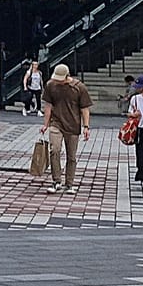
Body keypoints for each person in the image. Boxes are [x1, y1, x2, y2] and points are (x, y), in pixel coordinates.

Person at [40, 63, 91, 193]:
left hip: (73, 125)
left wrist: (86, 126)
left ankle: (69, 183)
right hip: (56, 123)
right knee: (54, 150)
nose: (57, 81)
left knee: (71, 156)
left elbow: (84, 109)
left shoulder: (79, 88)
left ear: (67, 76)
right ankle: (56, 180)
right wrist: (45, 124)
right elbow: (48, 106)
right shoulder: (51, 85)